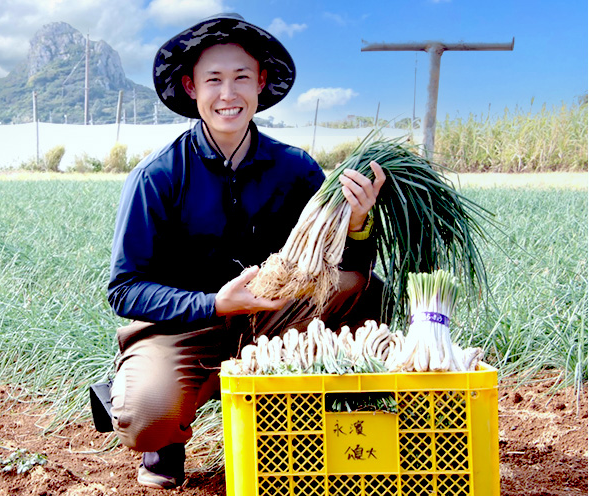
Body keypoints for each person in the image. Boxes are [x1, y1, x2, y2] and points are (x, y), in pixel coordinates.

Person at [106, 13, 386, 489]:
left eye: (240, 78)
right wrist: (214, 304)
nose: (228, 94)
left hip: (274, 319)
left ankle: (310, 416)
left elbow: (346, 268)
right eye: (213, 79)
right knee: (148, 413)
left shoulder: (295, 170)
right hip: (186, 327)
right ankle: (164, 432)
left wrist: (357, 225)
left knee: (359, 286)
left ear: (260, 83)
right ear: (191, 88)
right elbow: (125, 289)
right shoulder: (158, 176)